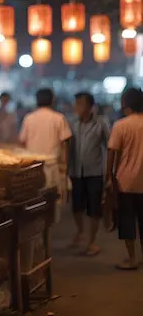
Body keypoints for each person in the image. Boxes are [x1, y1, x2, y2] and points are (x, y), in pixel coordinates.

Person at [19, 88, 72, 220]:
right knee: (52, 202)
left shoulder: (28, 118)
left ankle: (39, 233)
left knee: (35, 202)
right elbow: (65, 145)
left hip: (32, 169)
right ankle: (47, 233)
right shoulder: (59, 118)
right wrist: (65, 167)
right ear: (53, 100)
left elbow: (22, 142)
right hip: (52, 168)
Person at [68, 92, 110, 256]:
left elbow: (110, 146)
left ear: (90, 106)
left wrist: (109, 172)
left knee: (94, 208)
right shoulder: (72, 123)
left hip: (95, 172)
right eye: (76, 103)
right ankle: (80, 231)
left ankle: (91, 241)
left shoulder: (101, 123)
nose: (77, 107)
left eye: (80, 103)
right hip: (76, 171)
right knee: (76, 207)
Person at [106, 88, 143, 270]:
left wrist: (108, 178)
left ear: (125, 104)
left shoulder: (120, 125)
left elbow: (112, 153)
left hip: (125, 183)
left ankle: (132, 259)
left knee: (127, 222)